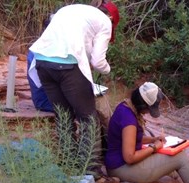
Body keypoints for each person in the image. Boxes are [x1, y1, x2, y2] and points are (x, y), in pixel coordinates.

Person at [27, 2, 120, 172]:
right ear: (112, 18)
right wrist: (108, 69)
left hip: (42, 63)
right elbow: (98, 61)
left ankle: (68, 167)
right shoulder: (105, 21)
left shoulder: (71, 10)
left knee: (64, 116)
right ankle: (91, 172)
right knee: (88, 119)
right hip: (67, 66)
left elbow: (80, 44)